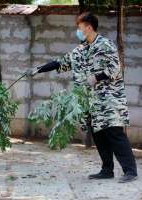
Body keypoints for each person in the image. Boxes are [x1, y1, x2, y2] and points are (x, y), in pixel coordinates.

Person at [27, 12, 137, 183]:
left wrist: (97, 77)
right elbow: (62, 62)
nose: (77, 31)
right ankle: (107, 169)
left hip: (109, 100)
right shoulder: (80, 50)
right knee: (98, 134)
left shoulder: (105, 45)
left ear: (89, 27)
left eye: (79, 27)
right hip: (90, 101)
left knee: (115, 133)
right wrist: (39, 69)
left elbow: (116, 68)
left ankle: (130, 171)